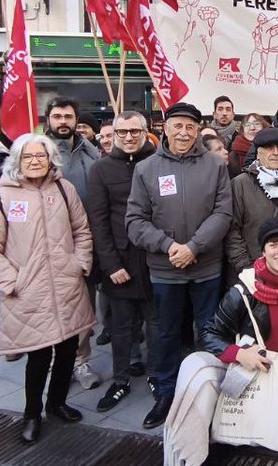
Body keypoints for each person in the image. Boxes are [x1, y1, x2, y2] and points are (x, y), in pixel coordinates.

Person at [165, 218, 278, 466]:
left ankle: (239, 430)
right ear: (263, 250)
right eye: (273, 245)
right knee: (197, 372)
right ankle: (209, 446)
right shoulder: (244, 290)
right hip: (246, 366)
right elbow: (208, 333)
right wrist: (239, 354)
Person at [0, 133, 95, 443]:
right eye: (28, 157)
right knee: (39, 356)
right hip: (28, 292)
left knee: (68, 349)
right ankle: (32, 412)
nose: (35, 161)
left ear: (50, 158)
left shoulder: (64, 189)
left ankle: (57, 403)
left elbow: (82, 231)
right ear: (17, 161)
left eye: (40, 156)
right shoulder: (1, 197)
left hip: (67, 285)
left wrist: (79, 264)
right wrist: (13, 282)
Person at [126, 102, 233, 428]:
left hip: (206, 266)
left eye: (190, 126)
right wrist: (170, 246)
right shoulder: (145, 169)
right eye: (178, 126)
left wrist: (194, 247)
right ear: (165, 128)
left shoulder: (215, 166)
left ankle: (212, 394)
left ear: (198, 130)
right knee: (166, 334)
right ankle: (167, 393)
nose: (184, 132)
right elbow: (134, 220)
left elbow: (223, 213)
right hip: (165, 269)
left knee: (210, 332)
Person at [85, 111, 158, 413]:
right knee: (121, 326)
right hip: (120, 261)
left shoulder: (158, 163)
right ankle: (121, 379)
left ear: (145, 132)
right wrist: (111, 264)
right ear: (113, 135)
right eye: (122, 132)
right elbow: (98, 222)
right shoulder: (101, 170)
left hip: (155, 259)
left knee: (156, 323)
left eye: (134, 131)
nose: (129, 137)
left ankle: (157, 375)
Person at [44, 96, 103, 390]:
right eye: (57, 116)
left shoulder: (91, 151)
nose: (63, 122)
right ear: (48, 119)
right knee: (51, 306)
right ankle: (55, 363)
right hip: (46, 246)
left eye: (68, 116)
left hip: (83, 242)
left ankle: (80, 360)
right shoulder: (36, 151)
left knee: (83, 305)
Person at [227, 127, 278, 272]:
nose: (276, 152)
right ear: (258, 152)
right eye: (269, 148)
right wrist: (246, 267)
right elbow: (232, 232)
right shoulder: (240, 184)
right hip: (251, 271)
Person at [229, 112, 267, 177]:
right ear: (242, 130)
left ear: (264, 127)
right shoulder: (233, 156)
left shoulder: (274, 149)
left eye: (257, 124)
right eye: (247, 125)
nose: (252, 128)